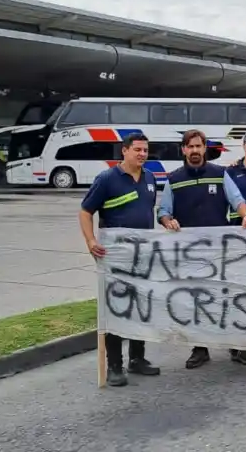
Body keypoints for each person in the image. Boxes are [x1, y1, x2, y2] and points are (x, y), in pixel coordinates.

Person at [156, 129, 246, 370]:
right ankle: (200, 348)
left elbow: (237, 199)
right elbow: (164, 211)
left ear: (204, 148)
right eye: (190, 147)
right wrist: (167, 221)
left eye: (198, 146)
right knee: (195, 300)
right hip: (189, 252)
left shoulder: (220, 174)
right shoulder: (174, 179)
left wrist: (245, 215)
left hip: (220, 250)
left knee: (226, 297)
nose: (195, 151)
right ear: (184, 150)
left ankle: (236, 345)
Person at [78, 132, 162, 387]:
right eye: (137, 150)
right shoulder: (107, 179)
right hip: (115, 256)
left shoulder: (150, 178)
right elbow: (85, 211)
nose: (142, 154)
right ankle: (115, 366)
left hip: (143, 256)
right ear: (124, 151)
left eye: (145, 150)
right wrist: (91, 241)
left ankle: (137, 358)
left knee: (140, 307)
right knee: (116, 308)